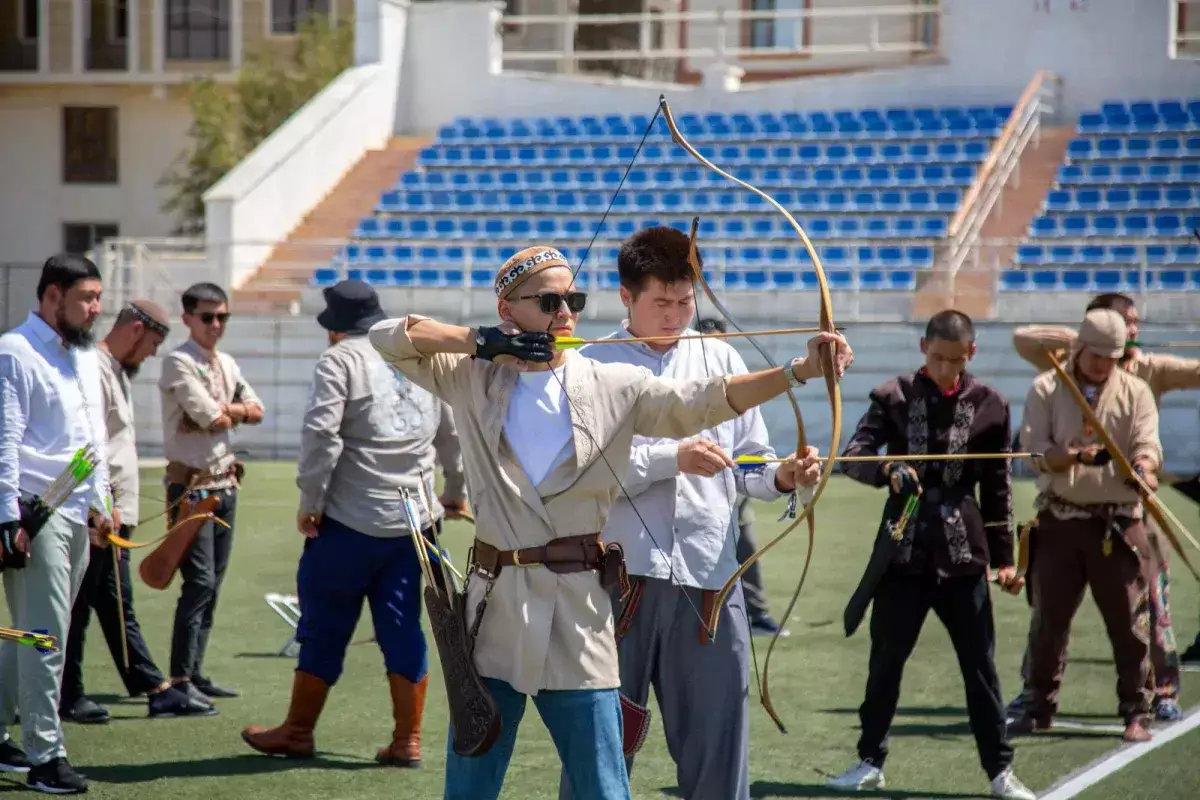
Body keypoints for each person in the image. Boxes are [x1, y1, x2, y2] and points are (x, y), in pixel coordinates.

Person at [367, 244, 851, 800]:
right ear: (508, 310)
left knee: (601, 784)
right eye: (549, 300)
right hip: (493, 605)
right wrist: (482, 342)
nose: (566, 311)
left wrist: (799, 370)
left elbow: (706, 401)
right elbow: (388, 337)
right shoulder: (472, 376)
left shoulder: (610, 381)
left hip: (578, 611)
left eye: (573, 298)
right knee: (473, 777)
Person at [556, 227, 814, 800]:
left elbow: (750, 460)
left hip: (709, 578)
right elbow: (587, 466)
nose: (675, 316)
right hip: (616, 582)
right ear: (626, 297)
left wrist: (782, 475)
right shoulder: (591, 362)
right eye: (660, 303)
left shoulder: (719, 354)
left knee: (718, 742)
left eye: (685, 302)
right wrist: (676, 457)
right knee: (599, 742)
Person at [242, 279, 468, 764]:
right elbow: (452, 433)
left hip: (350, 521)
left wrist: (310, 501)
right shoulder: (419, 354)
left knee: (324, 625)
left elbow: (322, 436)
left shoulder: (339, 359)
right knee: (404, 627)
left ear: (334, 328)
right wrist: (454, 493)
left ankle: (299, 730)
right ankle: (407, 739)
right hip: (416, 522)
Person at [824, 310, 1035, 800]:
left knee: (980, 669)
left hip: (965, 559)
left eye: (955, 360)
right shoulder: (892, 396)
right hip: (903, 553)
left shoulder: (992, 405)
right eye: (937, 357)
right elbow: (854, 455)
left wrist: (1006, 560)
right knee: (885, 663)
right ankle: (869, 759)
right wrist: (889, 469)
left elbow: (998, 492)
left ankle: (1000, 772)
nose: (945, 368)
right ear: (923, 347)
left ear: (972, 354)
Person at [1009, 292, 1200, 720]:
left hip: (1129, 509)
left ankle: (1160, 691)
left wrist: (1145, 468)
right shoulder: (1056, 368)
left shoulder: (1148, 371)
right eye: (1121, 322)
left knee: (1148, 609)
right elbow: (1023, 339)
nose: (1132, 329)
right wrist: (1077, 340)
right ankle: (1036, 694)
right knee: (1049, 614)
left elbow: (1155, 434)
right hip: (1066, 511)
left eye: (1133, 324)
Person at [60, 300, 218, 724]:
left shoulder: (115, 370)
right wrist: (98, 504)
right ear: (134, 329)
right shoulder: (93, 368)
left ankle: (137, 687)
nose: (151, 354)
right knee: (97, 602)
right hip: (101, 512)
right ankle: (99, 691)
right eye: (150, 344)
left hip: (111, 510)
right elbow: (87, 444)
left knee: (100, 602)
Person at [0, 254, 116, 794]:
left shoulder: (85, 356)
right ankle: (46, 755)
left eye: (97, 298)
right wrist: (7, 519)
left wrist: (103, 500)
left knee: (35, 632)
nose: (95, 309)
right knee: (45, 638)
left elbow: (92, 436)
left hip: (74, 507)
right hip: (33, 511)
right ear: (51, 296)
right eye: (85, 299)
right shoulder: (14, 351)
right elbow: (6, 439)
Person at [158, 282, 264, 705]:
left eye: (222, 317)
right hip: (191, 487)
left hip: (223, 483)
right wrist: (234, 412)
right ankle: (181, 678)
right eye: (207, 317)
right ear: (186, 319)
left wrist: (230, 413)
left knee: (213, 583)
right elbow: (211, 416)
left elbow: (253, 410)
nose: (216, 325)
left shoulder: (228, 362)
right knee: (198, 581)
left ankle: (195, 672)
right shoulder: (177, 362)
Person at [697, 317, 788, 636]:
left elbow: (753, 451)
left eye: (723, 343)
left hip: (735, 489)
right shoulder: (686, 387)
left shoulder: (739, 383)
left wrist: (780, 474)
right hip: (697, 496)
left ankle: (759, 615)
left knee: (746, 550)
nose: (718, 351)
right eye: (710, 345)